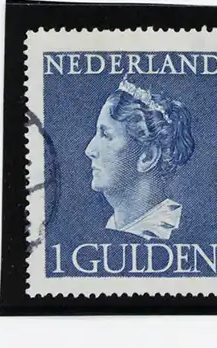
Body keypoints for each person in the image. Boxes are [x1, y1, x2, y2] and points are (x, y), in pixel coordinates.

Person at [84, 77, 195, 240]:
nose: (89, 150)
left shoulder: (170, 232)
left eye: (106, 135)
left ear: (147, 157)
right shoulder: (113, 228)